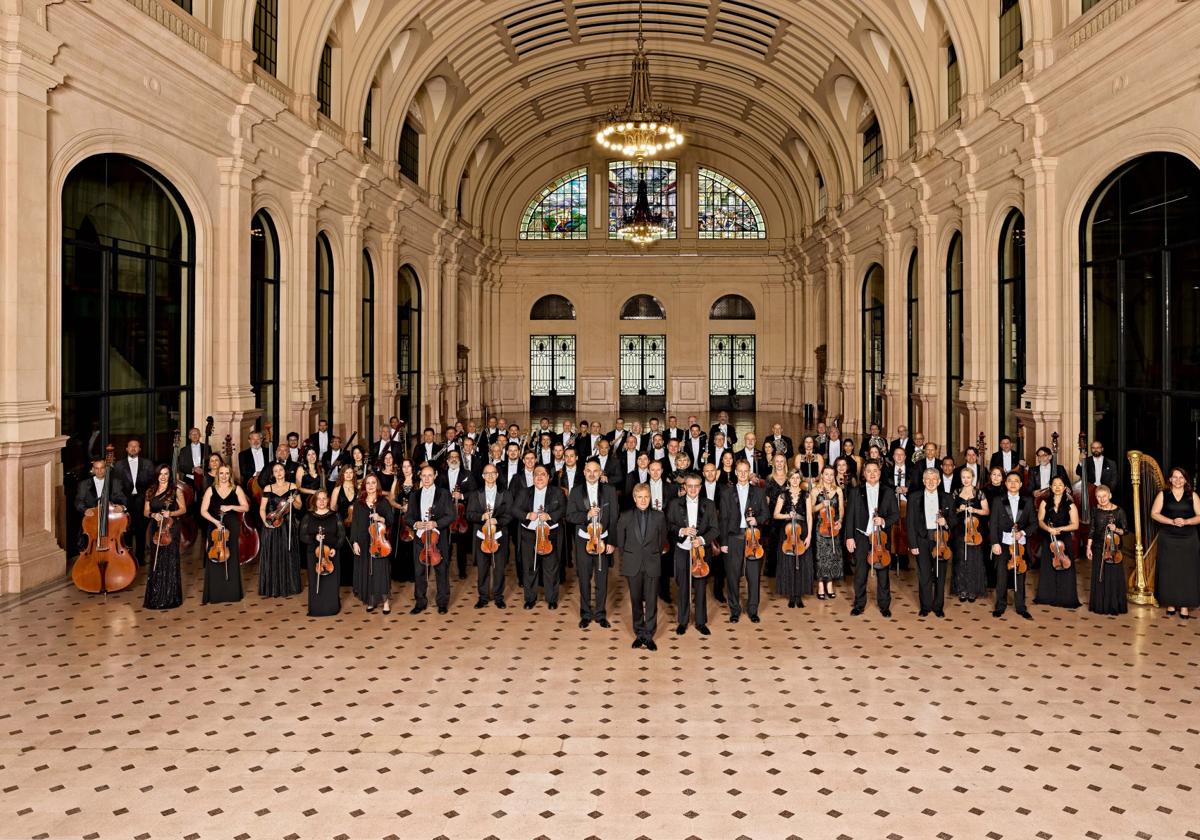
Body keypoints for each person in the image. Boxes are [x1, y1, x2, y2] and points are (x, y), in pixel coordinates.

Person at [566, 460, 619, 629]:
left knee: (601, 578)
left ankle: (601, 614)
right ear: (583, 472)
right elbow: (570, 516)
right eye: (588, 470)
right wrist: (586, 514)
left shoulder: (609, 491)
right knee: (584, 577)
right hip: (583, 541)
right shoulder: (575, 491)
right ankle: (585, 614)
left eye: (595, 471)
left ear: (600, 472)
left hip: (602, 540)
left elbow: (614, 518)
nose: (592, 474)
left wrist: (612, 542)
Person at [614, 483, 667, 651]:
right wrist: (630, 555)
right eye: (640, 497)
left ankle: (649, 635)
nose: (643, 500)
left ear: (650, 498)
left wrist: (652, 554)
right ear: (634, 498)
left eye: (646, 497)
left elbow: (661, 541)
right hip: (633, 564)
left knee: (651, 601)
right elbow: (620, 542)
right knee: (635, 601)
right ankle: (639, 633)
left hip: (652, 563)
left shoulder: (659, 517)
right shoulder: (625, 516)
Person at [667, 472, 718, 635]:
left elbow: (715, 529)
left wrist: (702, 540)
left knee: (701, 586)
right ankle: (682, 621)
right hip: (682, 550)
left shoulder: (709, 504)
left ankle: (701, 622)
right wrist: (681, 530)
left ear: (700, 487)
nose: (693, 489)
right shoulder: (675, 504)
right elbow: (668, 525)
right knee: (683, 586)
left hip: (701, 552)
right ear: (685, 487)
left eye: (696, 486)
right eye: (690, 486)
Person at [846, 461, 899, 617]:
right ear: (864, 474)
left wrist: (883, 521)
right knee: (860, 573)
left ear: (880, 473)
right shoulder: (856, 491)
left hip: (880, 538)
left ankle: (884, 605)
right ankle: (859, 604)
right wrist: (849, 537)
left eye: (875, 470)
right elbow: (849, 517)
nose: (872, 473)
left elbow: (895, 515)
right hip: (862, 536)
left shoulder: (888, 492)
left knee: (882, 572)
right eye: (868, 471)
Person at [719, 460, 768, 623]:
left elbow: (766, 516)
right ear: (735, 472)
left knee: (753, 576)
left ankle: (753, 610)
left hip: (752, 538)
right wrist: (724, 542)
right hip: (733, 538)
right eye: (739, 471)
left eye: (745, 471)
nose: (742, 474)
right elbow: (723, 519)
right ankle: (734, 610)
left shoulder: (759, 492)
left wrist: (757, 520)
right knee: (732, 577)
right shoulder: (726, 492)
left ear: (750, 473)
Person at [906, 468, 956, 617]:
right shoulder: (914, 497)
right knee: (924, 574)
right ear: (923, 481)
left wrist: (945, 521)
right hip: (922, 539)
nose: (931, 482)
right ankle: (925, 606)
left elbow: (954, 519)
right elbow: (910, 523)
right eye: (927, 479)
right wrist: (913, 544)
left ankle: (938, 607)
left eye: (934, 479)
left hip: (940, 541)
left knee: (940, 575)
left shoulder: (947, 498)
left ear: (939, 481)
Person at [515, 464, 566, 609]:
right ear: (533, 477)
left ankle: (551, 599)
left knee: (551, 568)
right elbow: (514, 509)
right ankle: (530, 598)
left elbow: (563, 509)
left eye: (543, 474)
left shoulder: (557, 492)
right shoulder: (524, 492)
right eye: (536, 474)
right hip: (529, 534)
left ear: (549, 478)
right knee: (530, 567)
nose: (539, 477)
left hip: (550, 535)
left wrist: (550, 515)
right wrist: (527, 515)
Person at [1151, 468, 1200, 619]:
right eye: (1175, 477)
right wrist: (1171, 521)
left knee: (1187, 572)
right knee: (1169, 571)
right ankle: (1171, 604)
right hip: (1168, 538)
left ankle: (1184, 606)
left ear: (1186, 480)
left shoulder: (1192, 495)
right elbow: (1154, 513)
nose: (1178, 480)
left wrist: (1186, 521)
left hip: (1188, 539)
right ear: (1170, 479)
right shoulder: (1163, 494)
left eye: (1181, 478)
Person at [199, 465, 249, 604]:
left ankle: (232, 593)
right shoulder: (210, 490)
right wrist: (216, 522)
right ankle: (215, 593)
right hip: (215, 527)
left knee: (231, 555)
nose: (224, 476)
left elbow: (246, 507)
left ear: (230, 475)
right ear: (217, 475)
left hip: (231, 526)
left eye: (227, 473)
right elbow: (203, 511)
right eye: (221, 473)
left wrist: (231, 507)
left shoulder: (236, 489)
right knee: (214, 556)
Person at [409, 465, 455, 614]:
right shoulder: (414, 495)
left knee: (441, 570)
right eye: (424, 475)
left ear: (435, 475)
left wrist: (436, 523)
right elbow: (407, 516)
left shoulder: (444, 494)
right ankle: (420, 602)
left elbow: (451, 515)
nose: (427, 478)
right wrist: (415, 523)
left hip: (438, 539)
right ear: (420, 477)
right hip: (420, 539)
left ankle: (442, 603)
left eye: (430, 475)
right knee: (419, 571)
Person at [467, 463, 512, 609]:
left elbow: (510, 515)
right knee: (483, 568)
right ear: (483, 476)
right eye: (487, 473)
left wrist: (496, 520)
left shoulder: (505, 493)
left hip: (499, 535)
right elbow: (469, 514)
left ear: (497, 475)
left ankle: (499, 597)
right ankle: (483, 597)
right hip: (482, 536)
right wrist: (482, 516)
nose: (490, 475)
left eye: (493, 473)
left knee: (499, 568)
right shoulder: (475, 494)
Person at [991, 471, 1034, 620]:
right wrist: (994, 543)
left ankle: (1021, 606)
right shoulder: (998, 500)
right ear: (1005, 483)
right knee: (1001, 576)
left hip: (1020, 546)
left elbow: (1033, 524)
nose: (1013, 483)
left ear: (1021, 484)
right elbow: (993, 524)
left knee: (1020, 575)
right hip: (1003, 544)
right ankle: (1000, 605)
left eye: (1016, 481)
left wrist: (1022, 532)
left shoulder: (1028, 500)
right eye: (1010, 480)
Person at [1033, 475, 1081, 608]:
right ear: (1050, 487)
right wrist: (1049, 529)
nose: (1057, 487)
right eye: (1055, 484)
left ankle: (1066, 598)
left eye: (1060, 484)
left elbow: (1075, 525)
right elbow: (1040, 520)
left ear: (1065, 487)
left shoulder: (1070, 504)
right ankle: (1047, 596)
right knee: (1048, 567)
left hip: (1064, 539)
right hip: (1048, 538)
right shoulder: (1044, 502)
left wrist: (1060, 528)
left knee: (1066, 567)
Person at [350, 474, 396, 614]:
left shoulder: (383, 502)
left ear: (377, 485)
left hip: (378, 542)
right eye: (368, 483)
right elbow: (355, 524)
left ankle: (385, 601)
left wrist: (380, 518)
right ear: (364, 485)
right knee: (367, 571)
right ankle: (370, 600)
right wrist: (355, 542)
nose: (370, 486)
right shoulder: (359, 503)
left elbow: (391, 520)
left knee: (381, 571)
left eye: (373, 483)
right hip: (363, 542)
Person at [143, 464, 186, 610]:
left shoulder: (175, 491)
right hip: (156, 528)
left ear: (170, 475)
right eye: (161, 474)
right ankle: (155, 596)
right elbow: (145, 511)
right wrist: (153, 514)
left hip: (170, 528)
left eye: (166, 474)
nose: (163, 476)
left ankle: (170, 597)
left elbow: (183, 509)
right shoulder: (150, 491)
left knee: (169, 560)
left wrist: (171, 514)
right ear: (157, 475)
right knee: (156, 559)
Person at [258, 462, 302, 597]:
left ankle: (289, 586)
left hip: (287, 525)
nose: (278, 472)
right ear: (273, 474)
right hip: (271, 524)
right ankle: (271, 587)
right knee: (272, 554)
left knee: (287, 554)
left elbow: (299, 506)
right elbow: (262, 509)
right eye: (275, 470)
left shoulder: (292, 486)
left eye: (281, 470)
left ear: (285, 471)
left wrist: (292, 501)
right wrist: (265, 522)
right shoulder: (268, 488)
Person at [300, 490, 345, 617]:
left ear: (328, 500)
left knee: (332, 581)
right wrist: (315, 538)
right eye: (318, 499)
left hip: (331, 554)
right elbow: (302, 536)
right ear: (314, 501)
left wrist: (335, 548)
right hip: (314, 554)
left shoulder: (335, 515)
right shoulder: (308, 516)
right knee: (315, 581)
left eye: (324, 498)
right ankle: (316, 608)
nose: (321, 501)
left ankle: (332, 607)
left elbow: (341, 535)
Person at [1086, 485, 1128, 616]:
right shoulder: (1095, 510)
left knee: (1113, 577)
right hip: (1099, 547)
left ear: (1110, 495)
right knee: (1099, 576)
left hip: (1114, 549)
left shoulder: (1119, 511)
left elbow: (1125, 531)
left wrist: (1116, 529)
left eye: (1104, 496)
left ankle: (1114, 605)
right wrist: (1088, 547)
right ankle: (1100, 605)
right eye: (1098, 496)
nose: (1102, 499)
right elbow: (1092, 530)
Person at [773, 470, 812, 609]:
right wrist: (787, 515)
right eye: (792, 478)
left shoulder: (806, 495)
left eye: (797, 478)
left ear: (800, 480)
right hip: (788, 532)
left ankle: (799, 595)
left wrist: (809, 535)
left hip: (802, 531)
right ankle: (791, 595)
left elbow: (809, 516)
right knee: (788, 562)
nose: (795, 480)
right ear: (788, 480)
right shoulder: (783, 495)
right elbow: (776, 515)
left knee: (801, 562)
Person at [951, 466, 989, 603]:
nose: (966, 480)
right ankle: (962, 589)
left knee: (974, 559)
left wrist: (975, 510)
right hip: (960, 530)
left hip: (975, 530)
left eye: (968, 477)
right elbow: (950, 511)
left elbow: (986, 511)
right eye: (963, 477)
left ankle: (973, 590)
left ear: (973, 478)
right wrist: (958, 509)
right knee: (961, 559)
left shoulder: (979, 493)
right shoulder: (956, 492)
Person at [811, 465, 844, 600]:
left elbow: (841, 508)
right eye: (826, 474)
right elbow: (812, 509)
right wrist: (822, 505)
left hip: (833, 526)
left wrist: (840, 520)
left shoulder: (838, 490)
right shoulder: (815, 490)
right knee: (820, 556)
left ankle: (829, 584)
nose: (829, 477)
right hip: (820, 526)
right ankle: (820, 585)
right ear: (822, 475)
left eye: (831, 474)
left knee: (832, 556)